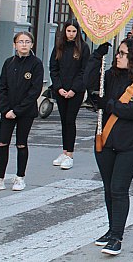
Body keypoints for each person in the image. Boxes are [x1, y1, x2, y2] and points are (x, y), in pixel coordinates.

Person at [85, 39, 133, 255]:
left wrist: (109, 104)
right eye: (118, 52)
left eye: (123, 53)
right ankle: (110, 230)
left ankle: (117, 237)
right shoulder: (110, 76)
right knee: (108, 189)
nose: (118, 56)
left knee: (118, 189)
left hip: (130, 146)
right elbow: (88, 82)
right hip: (106, 141)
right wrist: (97, 56)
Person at [0, 31, 44, 192]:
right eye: (20, 41)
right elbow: (2, 87)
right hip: (7, 111)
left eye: (27, 41)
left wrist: (17, 110)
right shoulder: (8, 63)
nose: (24, 44)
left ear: (32, 44)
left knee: (21, 143)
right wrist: (5, 109)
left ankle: (20, 177)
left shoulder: (36, 64)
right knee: (2, 143)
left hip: (25, 112)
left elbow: (34, 91)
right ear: (14, 44)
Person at [50, 20, 90, 170]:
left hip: (75, 91)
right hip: (61, 90)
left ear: (78, 32)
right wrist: (59, 87)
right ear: (64, 32)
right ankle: (64, 151)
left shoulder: (83, 48)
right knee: (63, 120)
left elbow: (84, 71)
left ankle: (70, 154)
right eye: (69, 31)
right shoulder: (59, 47)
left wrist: (74, 89)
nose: (71, 34)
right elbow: (53, 68)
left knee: (70, 120)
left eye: (74, 31)